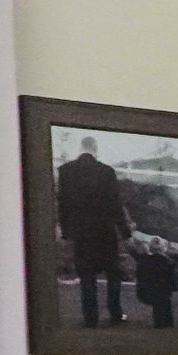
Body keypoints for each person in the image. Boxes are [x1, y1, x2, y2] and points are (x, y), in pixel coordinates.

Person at [54, 136, 134, 328]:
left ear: (81, 148)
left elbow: (63, 204)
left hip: (82, 232)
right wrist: (125, 232)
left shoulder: (66, 171)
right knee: (112, 273)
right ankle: (115, 313)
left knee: (86, 276)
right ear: (95, 149)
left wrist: (66, 231)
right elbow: (115, 205)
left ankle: (91, 317)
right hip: (104, 230)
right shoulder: (107, 172)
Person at [128, 232, 178, 329]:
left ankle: (162, 323)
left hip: (146, 290)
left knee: (159, 301)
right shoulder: (167, 262)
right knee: (164, 301)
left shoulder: (144, 261)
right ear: (163, 249)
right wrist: (174, 288)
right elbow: (172, 276)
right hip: (163, 291)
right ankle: (166, 323)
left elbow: (139, 275)